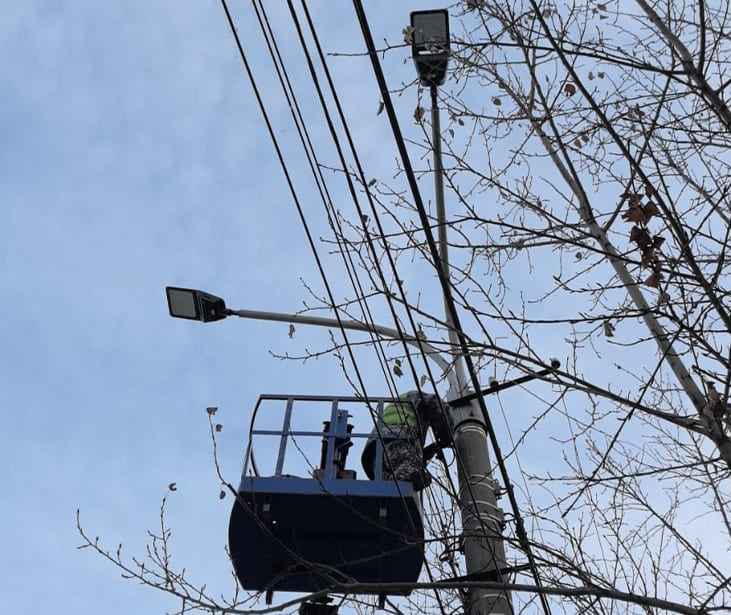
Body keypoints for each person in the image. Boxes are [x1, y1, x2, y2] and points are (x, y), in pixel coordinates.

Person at [361, 391, 448, 491]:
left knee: (393, 484)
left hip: (376, 457)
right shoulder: (415, 396)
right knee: (409, 468)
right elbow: (434, 404)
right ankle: (406, 476)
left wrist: (429, 451)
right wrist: (449, 428)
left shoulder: (412, 410)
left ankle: (403, 478)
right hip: (396, 435)